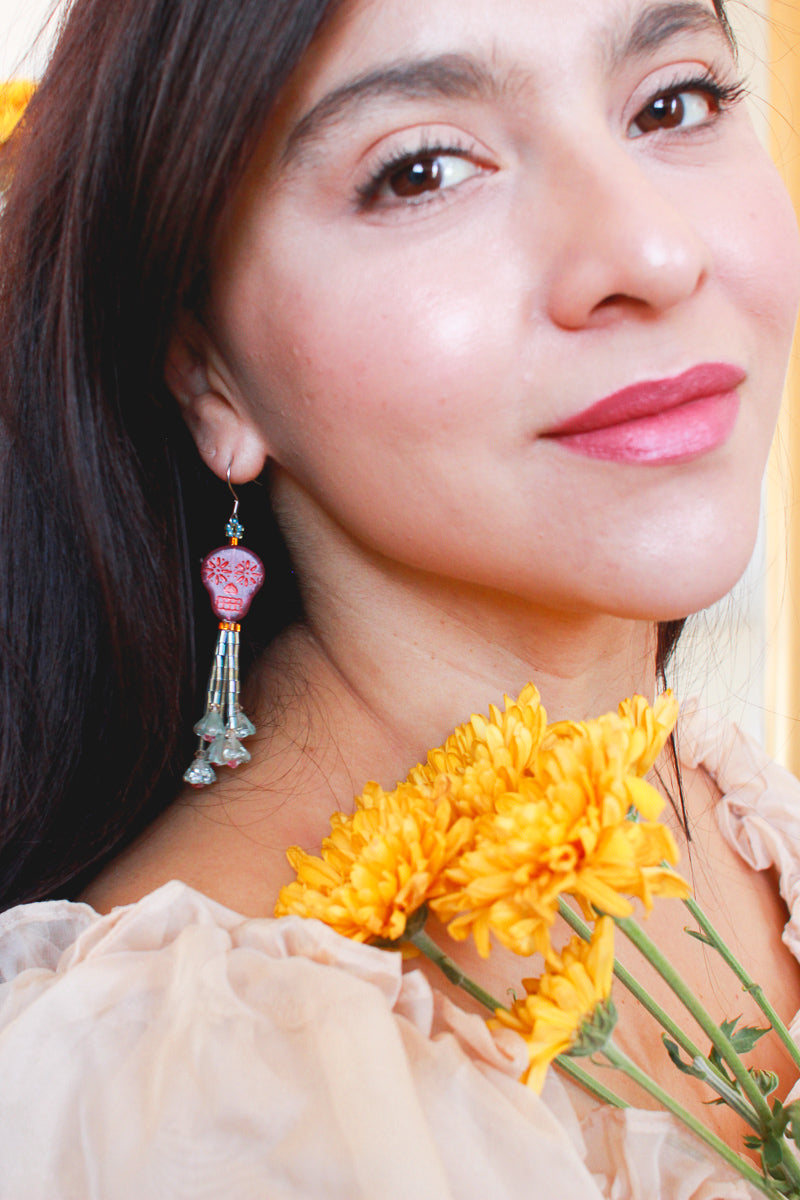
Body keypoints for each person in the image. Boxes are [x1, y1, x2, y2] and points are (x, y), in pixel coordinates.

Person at [1, 0, 799, 1194]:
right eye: (421, 170)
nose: (648, 254)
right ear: (205, 368)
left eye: (671, 102)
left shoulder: (743, 817)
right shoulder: (186, 1101)